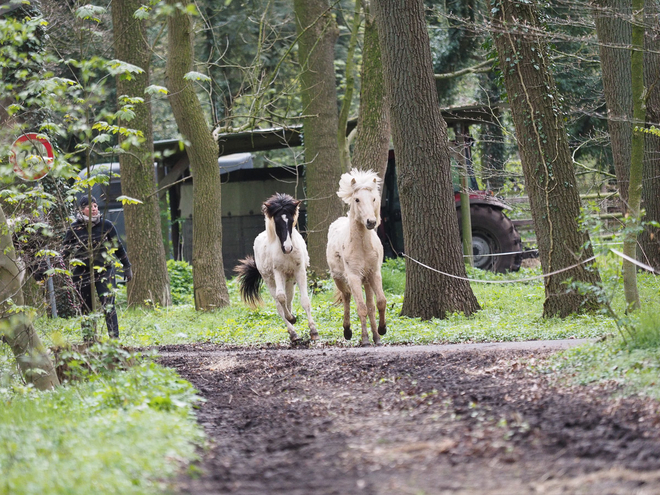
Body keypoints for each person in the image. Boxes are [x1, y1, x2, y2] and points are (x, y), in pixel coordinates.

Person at [61, 195, 132, 340]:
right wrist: (57, 268)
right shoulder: (74, 228)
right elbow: (64, 252)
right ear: (81, 210)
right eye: (89, 207)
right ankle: (89, 341)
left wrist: (127, 266)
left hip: (104, 270)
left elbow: (118, 247)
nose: (94, 209)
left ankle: (114, 340)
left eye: (95, 206)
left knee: (108, 305)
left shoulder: (106, 225)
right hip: (82, 272)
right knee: (85, 309)